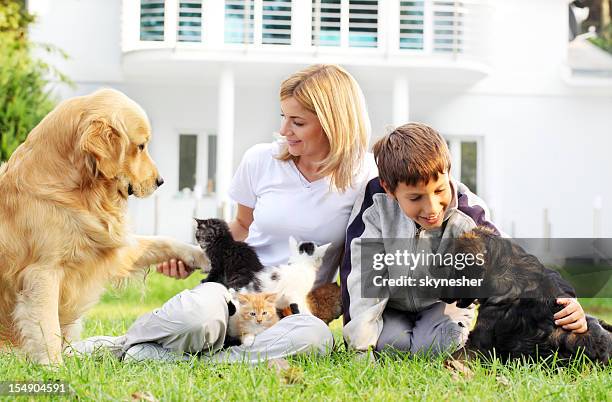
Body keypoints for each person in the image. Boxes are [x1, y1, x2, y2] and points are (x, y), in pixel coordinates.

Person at [68, 64, 376, 363]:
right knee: (195, 316)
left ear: (332, 123)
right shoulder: (260, 160)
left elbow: (365, 258)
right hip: (232, 295)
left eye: (297, 122)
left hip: (287, 313)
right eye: (283, 117)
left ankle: (199, 360)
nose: (284, 130)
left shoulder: (363, 177)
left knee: (315, 338)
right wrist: (193, 259)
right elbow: (242, 226)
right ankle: (122, 345)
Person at [341, 123, 587, 357]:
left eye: (439, 190)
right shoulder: (374, 206)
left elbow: (514, 261)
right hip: (390, 306)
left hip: (441, 306)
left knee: (433, 348)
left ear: (448, 173)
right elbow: (362, 277)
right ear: (389, 189)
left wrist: (564, 296)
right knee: (391, 346)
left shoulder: (469, 213)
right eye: (415, 198)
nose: (432, 208)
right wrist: (360, 348)